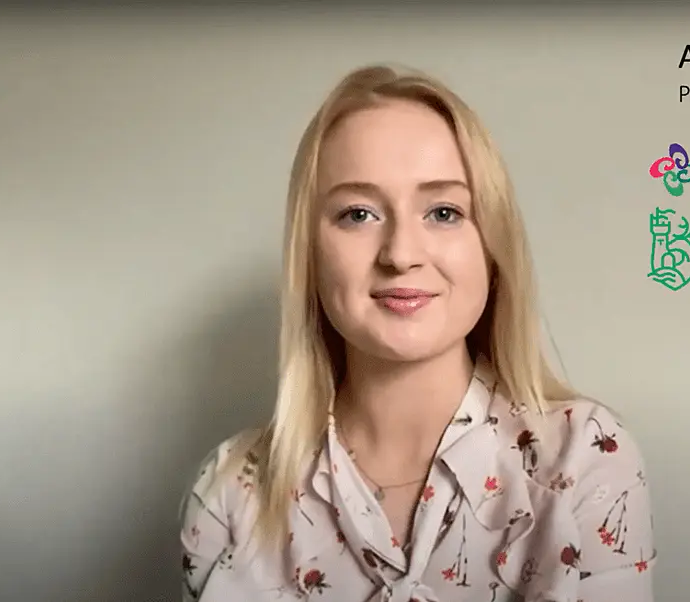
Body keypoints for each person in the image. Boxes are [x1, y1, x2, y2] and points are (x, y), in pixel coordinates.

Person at [179, 64, 656, 602]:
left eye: (444, 212)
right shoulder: (229, 495)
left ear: (493, 247)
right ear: (309, 256)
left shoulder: (584, 456)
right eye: (358, 213)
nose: (401, 254)